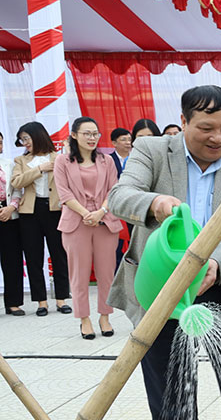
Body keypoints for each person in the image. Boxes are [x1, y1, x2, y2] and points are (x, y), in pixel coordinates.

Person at [108, 85, 221, 420]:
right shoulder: (151, 151)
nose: (218, 138)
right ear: (182, 123)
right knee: (171, 391)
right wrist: (156, 203)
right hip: (161, 284)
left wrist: (213, 263)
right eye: (207, 128)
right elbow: (120, 196)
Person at [54, 117, 121, 339]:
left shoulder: (106, 161)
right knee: (79, 274)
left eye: (95, 133)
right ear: (74, 135)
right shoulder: (63, 161)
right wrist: (85, 214)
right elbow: (64, 194)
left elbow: (114, 191)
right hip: (76, 223)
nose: (92, 138)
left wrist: (100, 212)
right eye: (87, 133)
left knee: (106, 274)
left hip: (104, 222)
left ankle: (105, 316)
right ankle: (84, 319)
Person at [11, 121, 71, 316]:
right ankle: (41, 302)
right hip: (30, 212)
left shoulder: (58, 157)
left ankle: (62, 299)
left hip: (54, 210)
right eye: (22, 140)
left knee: (59, 254)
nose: (24, 143)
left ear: (38, 136)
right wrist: (39, 169)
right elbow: (16, 182)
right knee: (34, 256)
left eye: (26, 138)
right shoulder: (21, 161)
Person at [0, 131, 27, 316]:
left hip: (9, 215)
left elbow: (18, 188)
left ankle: (13, 302)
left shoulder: (9, 164)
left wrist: (11, 207)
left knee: (12, 260)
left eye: (0, 142)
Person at [109, 127, 133, 268]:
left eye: (129, 139)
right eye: (123, 139)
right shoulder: (108, 160)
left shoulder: (137, 159)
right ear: (114, 143)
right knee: (116, 248)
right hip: (115, 209)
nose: (127, 143)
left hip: (133, 208)